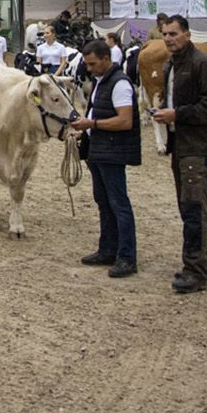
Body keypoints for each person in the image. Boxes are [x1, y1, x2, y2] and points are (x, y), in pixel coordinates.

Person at [149, 15, 207, 295]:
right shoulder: (171, 64)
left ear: (187, 34)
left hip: (199, 145)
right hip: (182, 142)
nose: (169, 39)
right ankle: (206, 266)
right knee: (195, 205)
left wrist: (178, 114)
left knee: (193, 206)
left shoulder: (203, 64)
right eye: (165, 34)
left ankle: (194, 271)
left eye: (174, 34)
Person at [69, 38, 139, 279]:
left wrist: (92, 124)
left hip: (112, 151)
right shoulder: (102, 82)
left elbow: (124, 120)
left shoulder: (119, 84)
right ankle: (108, 248)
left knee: (119, 204)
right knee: (104, 201)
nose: (89, 68)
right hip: (99, 149)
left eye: (93, 63)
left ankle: (127, 257)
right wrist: (85, 130)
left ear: (107, 60)